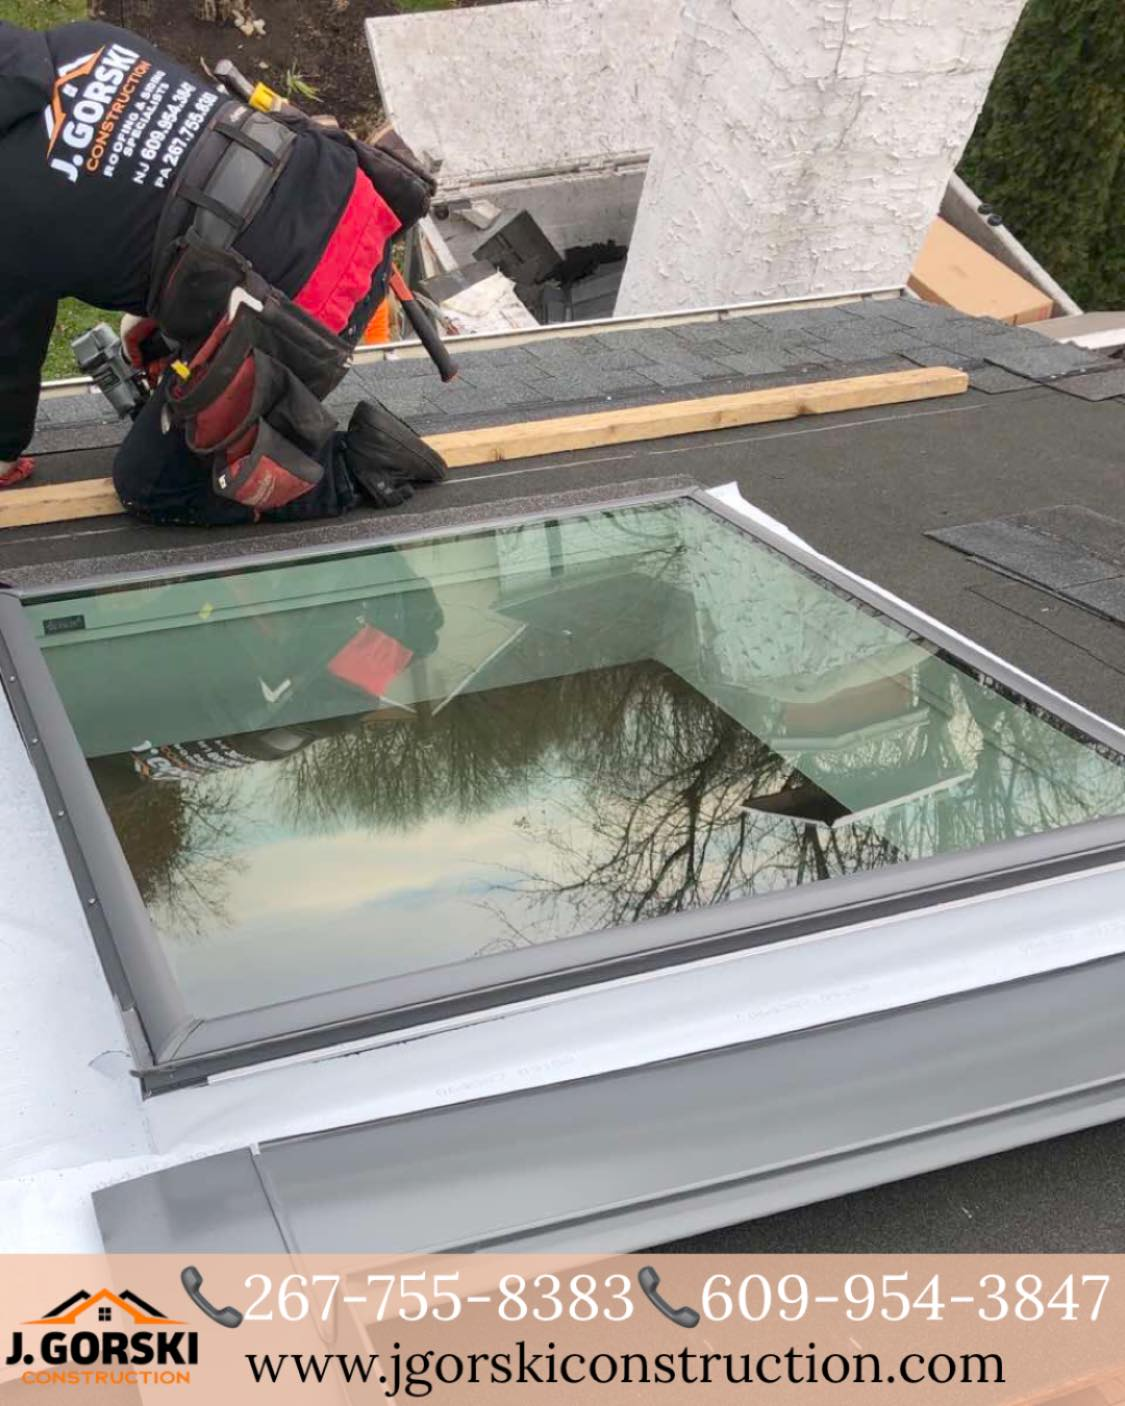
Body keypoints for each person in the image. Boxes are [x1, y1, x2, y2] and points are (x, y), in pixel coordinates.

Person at [0, 17, 446, 521]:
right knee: (156, 341)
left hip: (314, 300)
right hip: (359, 197)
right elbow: (174, 170)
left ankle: (355, 468)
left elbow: (8, 357)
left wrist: (3, 453)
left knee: (153, 484)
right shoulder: (86, 41)